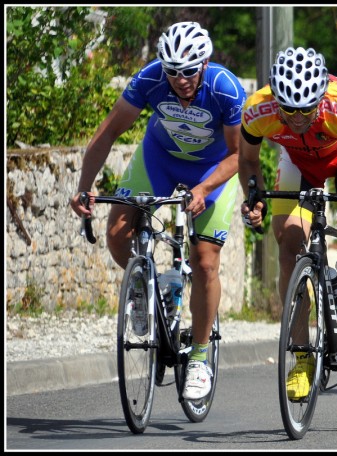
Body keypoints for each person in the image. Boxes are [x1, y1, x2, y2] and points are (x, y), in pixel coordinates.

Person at [69, 22, 246, 400]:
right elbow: (106, 135)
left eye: (188, 70)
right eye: (172, 71)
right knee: (117, 234)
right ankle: (144, 287)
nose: (180, 79)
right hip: (159, 159)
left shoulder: (224, 88)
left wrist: (204, 188)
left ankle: (199, 356)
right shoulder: (150, 79)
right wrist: (84, 187)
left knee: (204, 263)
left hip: (210, 171)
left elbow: (238, 155)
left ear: (205, 63)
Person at [238, 46, 337, 401]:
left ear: (320, 97)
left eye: (306, 109)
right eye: (288, 110)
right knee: (288, 245)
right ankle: (302, 357)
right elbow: (247, 160)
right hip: (297, 165)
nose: (297, 118)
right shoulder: (258, 109)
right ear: (276, 100)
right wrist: (255, 197)